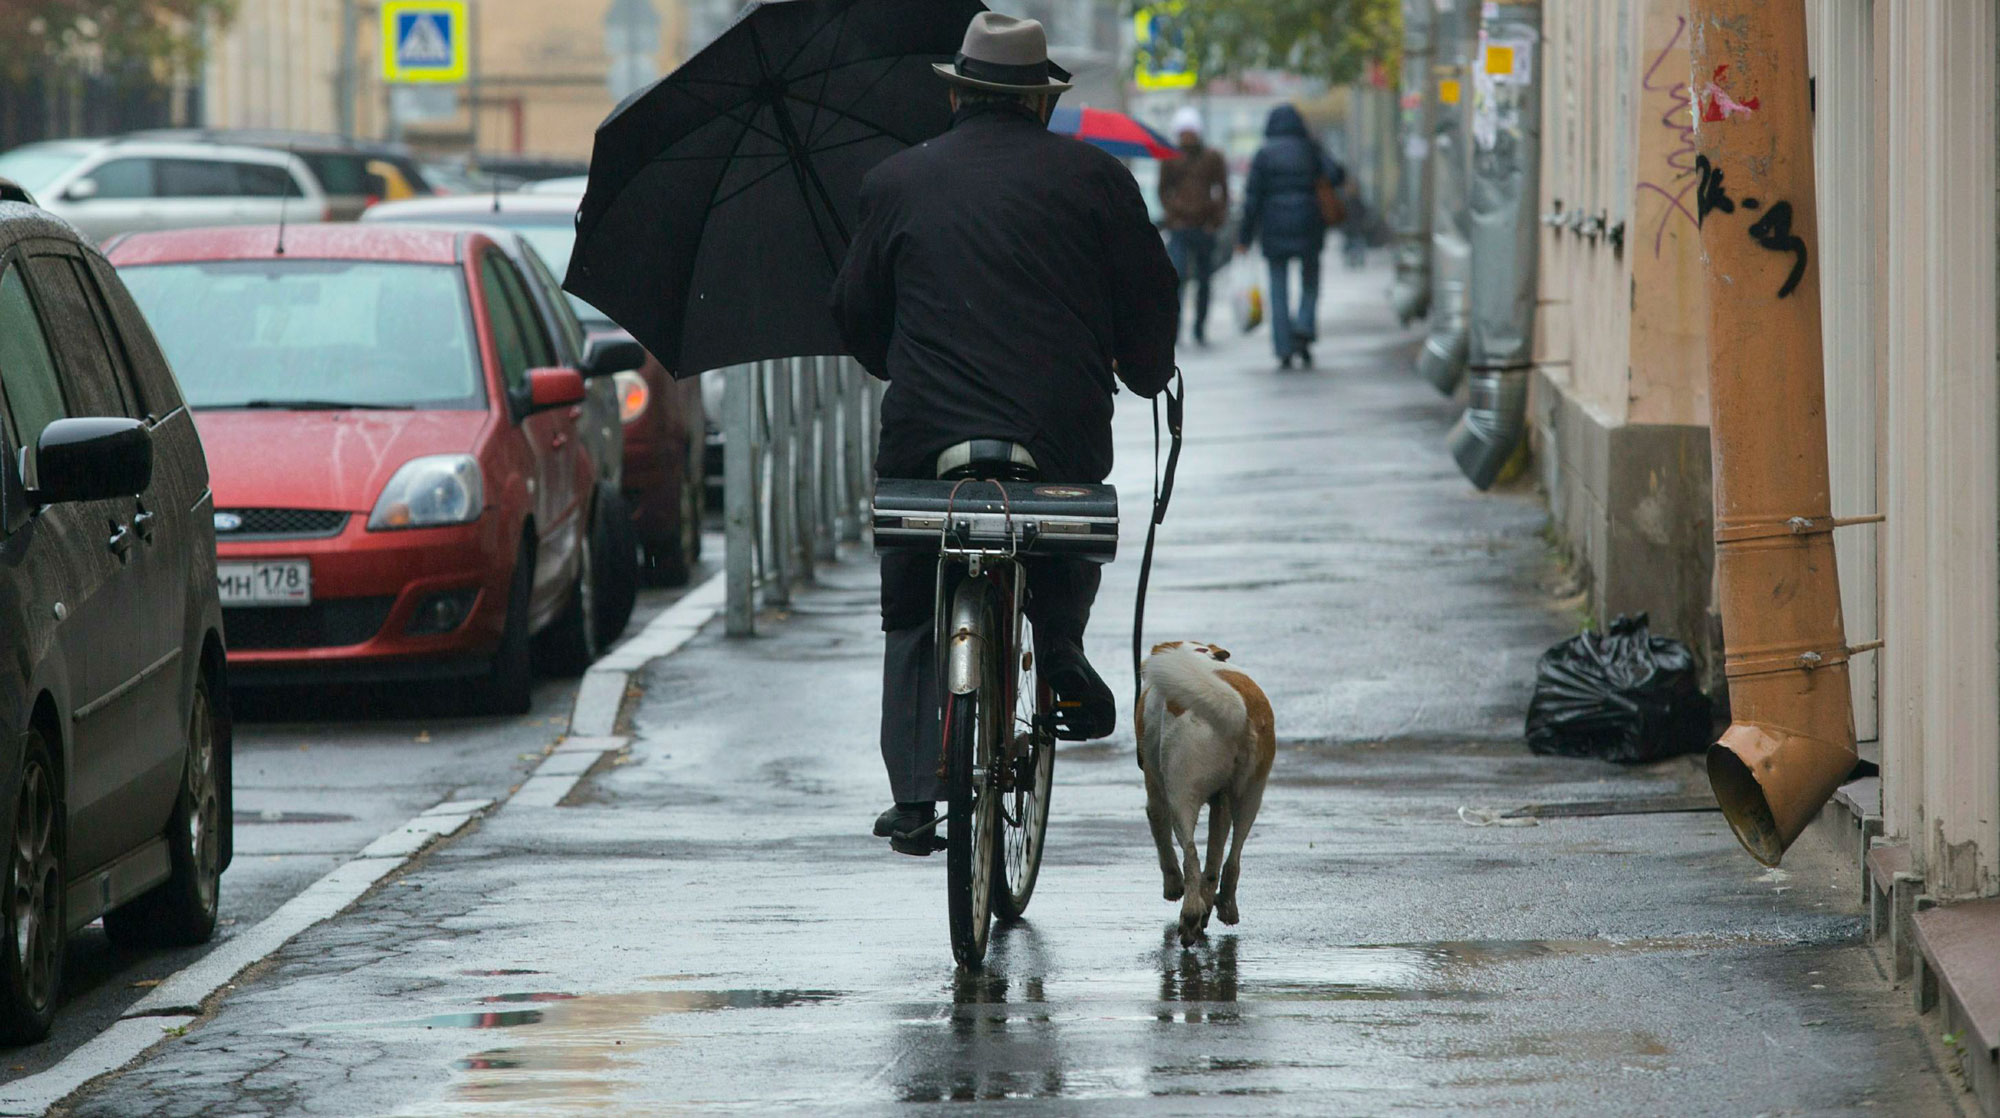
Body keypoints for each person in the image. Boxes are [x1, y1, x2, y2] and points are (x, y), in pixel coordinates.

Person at [830, 13, 1179, 855]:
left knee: (915, 594)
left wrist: (903, 361)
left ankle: (915, 793)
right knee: (1059, 525)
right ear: (1039, 102)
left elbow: (853, 318)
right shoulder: (1097, 180)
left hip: (927, 432)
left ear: (955, 93)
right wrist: (1142, 369)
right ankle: (1059, 643)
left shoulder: (895, 182)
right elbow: (1149, 303)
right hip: (1055, 428)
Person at [1237, 103, 1346, 369]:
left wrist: (1244, 237)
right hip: (1309, 224)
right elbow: (1337, 175)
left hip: (1274, 228)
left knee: (1278, 287)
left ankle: (1283, 347)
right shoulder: (1310, 149)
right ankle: (1305, 326)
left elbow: (1251, 200)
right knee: (1310, 280)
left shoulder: (1263, 155)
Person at [1158, 106, 1229, 346]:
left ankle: (1200, 327)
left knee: (1204, 280)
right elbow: (1163, 190)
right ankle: (1175, 329)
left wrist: (1215, 220)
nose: (1187, 137)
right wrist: (1172, 214)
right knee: (1176, 278)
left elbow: (1223, 190)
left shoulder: (1212, 158)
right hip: (1179, 228)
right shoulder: (1170, 158)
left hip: (1204, 227)